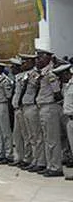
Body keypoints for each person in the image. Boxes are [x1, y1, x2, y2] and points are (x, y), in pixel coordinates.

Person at [35, 49, 64, 177]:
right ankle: (50, 165)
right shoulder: (43, 73)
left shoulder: (51, 73)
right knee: (47, 139)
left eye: (40, 57)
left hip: (50, 107)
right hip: (43, 107)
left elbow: (57, 93)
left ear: (48, 58)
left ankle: (56, 167)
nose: (37, 60)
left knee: (52, 139)